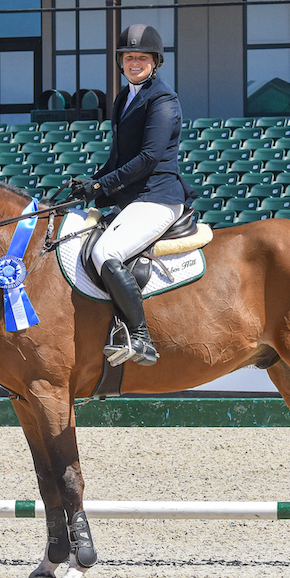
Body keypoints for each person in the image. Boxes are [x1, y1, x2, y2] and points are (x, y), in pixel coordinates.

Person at [70, 23, 195, 366]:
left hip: (158, 197)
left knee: (106, 251)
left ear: (155, 62)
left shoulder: (163, 101)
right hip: (133, 200)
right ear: (120, 62)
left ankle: (140, 337)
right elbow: (118, 158)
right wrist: (90, 184)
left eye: (141, 57)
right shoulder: (125, 97)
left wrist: (101, 186)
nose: (134, 63)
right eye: (128, 57)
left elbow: (148, 158)